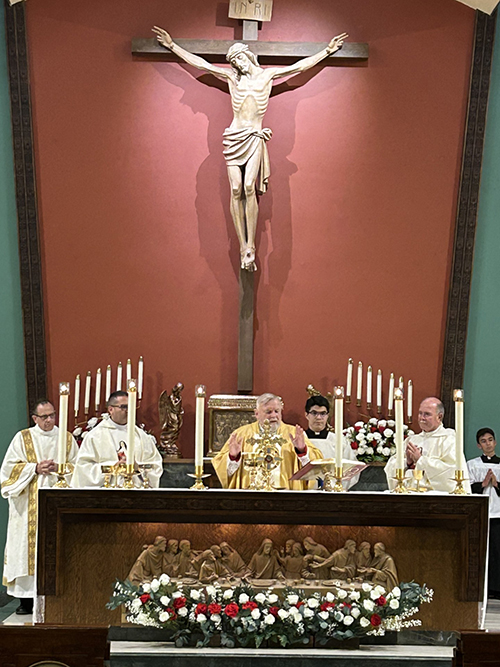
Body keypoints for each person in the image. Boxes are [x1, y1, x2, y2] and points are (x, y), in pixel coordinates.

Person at [152, 27, 347, 272]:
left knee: (248, 188)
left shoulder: (267, 77)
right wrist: (172, 47)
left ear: (249, 55)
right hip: (234, 136)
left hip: (254, 136)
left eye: (240, 59)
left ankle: (250, 247)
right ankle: (243, 243)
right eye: (234, 62)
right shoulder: (233, 79)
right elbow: (201, 65)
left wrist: (326, 52)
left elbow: (298, 67)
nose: (239, 65)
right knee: (235, 189)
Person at [1, 399, 78, 614]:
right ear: (35, 418)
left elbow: (80, 468)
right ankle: (26, 601)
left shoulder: (67, 438)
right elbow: (8, 471)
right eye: (44, 417)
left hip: (58, 504)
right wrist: (34, 468)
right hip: (27, 507)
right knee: (27, 549)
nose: (50, 420)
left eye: (52, 415)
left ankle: (56, 599)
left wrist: (59, 468)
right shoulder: (23, 438)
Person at [212, 393, 323, 489]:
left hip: (286, 494)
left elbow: (315, 467)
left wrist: (302, 451)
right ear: (256, 414)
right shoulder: (241, 435)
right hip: (251, 492)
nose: (273, 415)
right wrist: (233, 457)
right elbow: (223, 469)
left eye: (277, 411)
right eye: (268, 412)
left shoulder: (294, 434)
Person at [71, 391, 163, 488]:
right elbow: (84, 469)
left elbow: (155, 466)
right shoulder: (95, 436)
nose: (129, 410)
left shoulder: (141, 436)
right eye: (124, 407)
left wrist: (138, 468)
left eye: (131, 406)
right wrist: (114, 467)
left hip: (136, 493)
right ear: (111, 409)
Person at [384, 396, 469, 493]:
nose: (421, 418)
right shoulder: (412, 440)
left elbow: (450, 471)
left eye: (427, 414)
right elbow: (391, 468)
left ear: (439, 417)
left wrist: (421, 460)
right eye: (420, 413)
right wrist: (407, 462)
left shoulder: (449, 439)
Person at [467, 427, 500, 599]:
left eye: (490, 440)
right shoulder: (472, 465)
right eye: (483, 441)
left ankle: (496, 589)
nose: (487, 444)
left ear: (495, 442)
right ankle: (480, 587)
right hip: (479, 515)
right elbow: (465, 488)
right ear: (479, 445)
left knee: (497, 552)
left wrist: (496, 484)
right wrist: (482, 484)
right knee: (478, 552)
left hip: (498, 516)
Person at [304, 394, 359, 489]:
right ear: (306, 415)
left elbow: (352, 468)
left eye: (323, 413)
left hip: (333, 492)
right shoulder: (300, 440)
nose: (318, 417)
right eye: (314, 413)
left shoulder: (338, 440)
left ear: (327, 415)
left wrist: (336, 487)